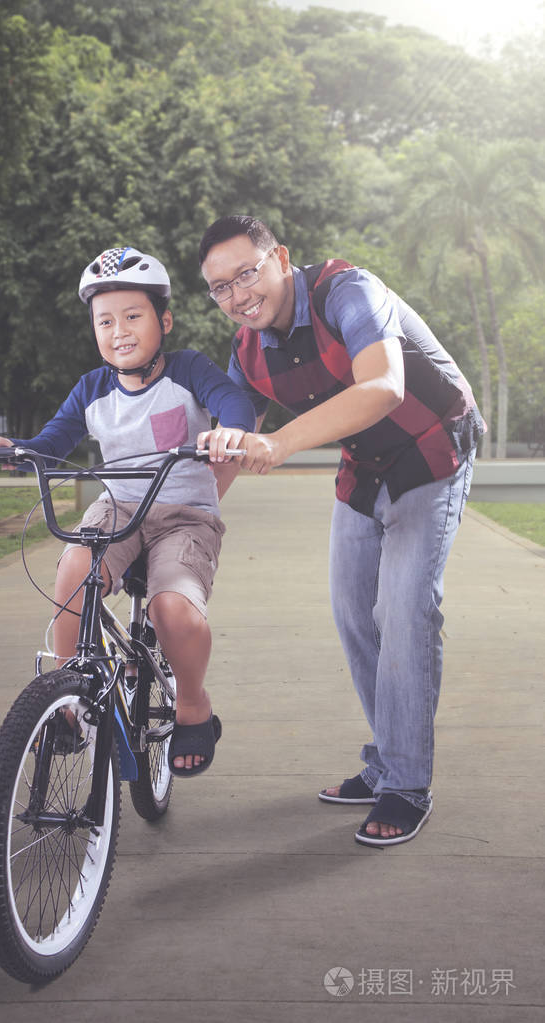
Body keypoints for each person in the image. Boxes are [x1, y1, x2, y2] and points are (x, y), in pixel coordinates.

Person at [197, 215, 484, 845]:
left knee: (405, 613)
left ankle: (407, 784)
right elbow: (229, 451)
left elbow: (382, 386)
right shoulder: (246, 354)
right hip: (365, 468)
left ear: (281, 259)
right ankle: (387, 760)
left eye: (248, 273)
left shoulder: (346, 291)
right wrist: (185, 517)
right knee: (354, 613)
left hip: (432, 454)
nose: (239, 295)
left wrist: (277, 441)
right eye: (220, 288)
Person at [0, 246, 256, 775]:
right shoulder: (92, 388)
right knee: (75, 571)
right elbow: (52, 441)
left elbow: (234, 401)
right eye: (105, 321)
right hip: (119, 506)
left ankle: (192, 702)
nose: (119, 330)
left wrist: (232, 429)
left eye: (133, 316)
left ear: (163, 321)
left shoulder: (190, 370)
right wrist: (16, 448)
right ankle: (68, 698)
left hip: (184, 513)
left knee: (173, 609)